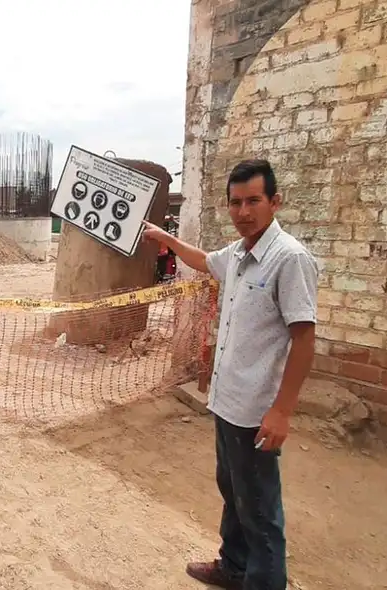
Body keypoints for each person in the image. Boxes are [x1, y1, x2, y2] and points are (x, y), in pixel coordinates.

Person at [141, 159, 318, 590]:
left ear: (275, 202)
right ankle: (234, 568)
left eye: (253, 201)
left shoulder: (289, 259)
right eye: (235, 202)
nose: (243, 211)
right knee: (233, 492)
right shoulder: (238, 253)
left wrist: (282, 411)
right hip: (227, 402)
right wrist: (166, 239)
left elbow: (304, 339)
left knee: (260, 511)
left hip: (257, 411)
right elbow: (205, 261)